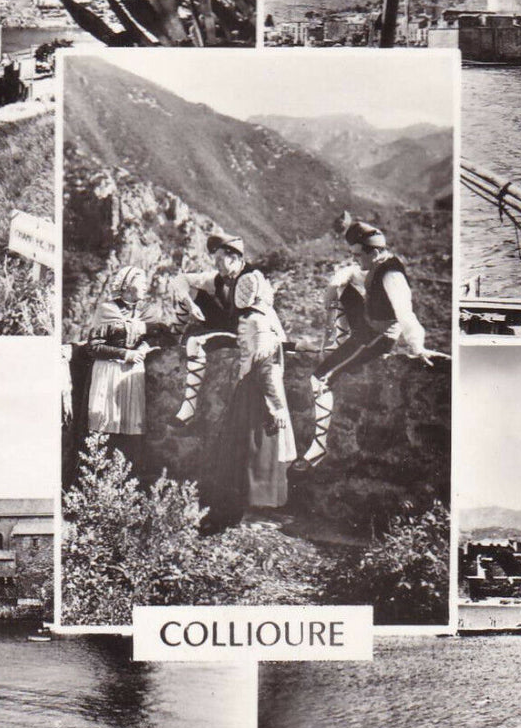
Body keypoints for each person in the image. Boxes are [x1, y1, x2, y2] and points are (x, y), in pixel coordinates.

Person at [294, 220, 437, 471]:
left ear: (375, 252)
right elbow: (353, 274)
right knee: (345, 288)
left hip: (377, 339)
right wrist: (335, 283)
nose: (356, 260)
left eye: (358, 255)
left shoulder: (392, 274)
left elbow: (405, 313)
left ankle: (318, 449)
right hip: (366, 329)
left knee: (320, 378)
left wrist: (417, 346)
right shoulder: (376, 265)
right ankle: (336, 344)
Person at [200, 270, 295, 532]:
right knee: (259, 450)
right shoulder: (258, 321)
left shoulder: (251, 319)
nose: (270, 292)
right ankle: (252, 514)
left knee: (251, 450)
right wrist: (275, 405)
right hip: (260, 392)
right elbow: (264, 365)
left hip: (250, 389)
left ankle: (254, 511)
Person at [167, 234, 261, 425]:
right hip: (230, 324)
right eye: (215, 259)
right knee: (191, 292)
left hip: (247, 333)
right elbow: (179, 280)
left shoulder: (252, 279)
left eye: (220, 259)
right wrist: (191, 305)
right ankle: (172, 339)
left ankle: (188, 409)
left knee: (195, 342)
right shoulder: (220, 279)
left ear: (234, 259)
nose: (216, 264)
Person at [84, 266, 151, 465]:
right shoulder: (107, 310)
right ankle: (100, 476)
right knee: (106, 428)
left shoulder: (143, 312)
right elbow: (93, 346)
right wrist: (125, 354)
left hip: (133, 374)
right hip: (109, 372)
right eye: (142, 283)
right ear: (129, 287)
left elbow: (157, 336)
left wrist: (144, 349)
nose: (146, 286)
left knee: (131, 432)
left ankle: (128, 481)